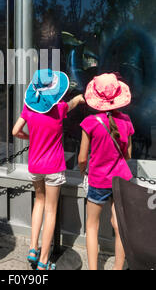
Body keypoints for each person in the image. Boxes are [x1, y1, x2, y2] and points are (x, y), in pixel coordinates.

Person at [12, 69, 85, 270]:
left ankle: (33, 249)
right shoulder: (59, 109)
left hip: (35, 164)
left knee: (39, 202)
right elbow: (71, 104)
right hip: (53, 166)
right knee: (51, 210)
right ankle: (44, 261)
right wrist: (79, 99)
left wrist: (29, 138)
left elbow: (15, 130)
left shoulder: (28, 108)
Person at [78, 73, 134, 270]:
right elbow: (127, 156)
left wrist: (82, 170)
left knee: (92, 227)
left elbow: (82, 158)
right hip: (121, 179)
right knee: (120, 228)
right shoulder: (126, 121)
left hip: (98, 181)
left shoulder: (90, 122)